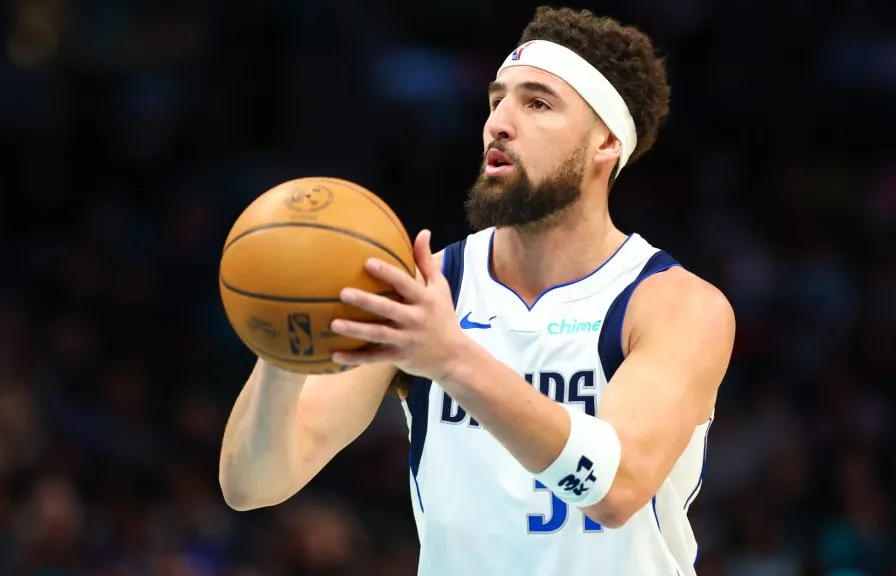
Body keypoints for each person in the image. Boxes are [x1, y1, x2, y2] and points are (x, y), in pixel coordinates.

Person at [219, 6, 735, 576]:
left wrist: (449, 358)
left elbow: (614, 488)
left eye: (536, 103)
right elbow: (252, 485)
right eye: (497, 100)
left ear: (606, 143)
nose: (499, 123)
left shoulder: (674, 305)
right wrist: (285, 344)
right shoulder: (426, 293)